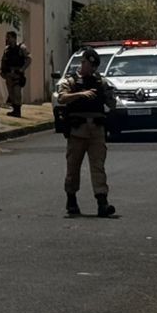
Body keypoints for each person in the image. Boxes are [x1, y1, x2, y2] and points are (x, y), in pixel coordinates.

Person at [55, 46, 116, 217]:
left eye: (94, 66)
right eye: (89, 65)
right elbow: (61, 97)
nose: (92, 69)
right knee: (73, 168)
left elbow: (112, 103)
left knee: (98, 167)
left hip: (96, 131)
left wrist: (108, 95)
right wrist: (81, 95)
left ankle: (102, 202)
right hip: (77, 131)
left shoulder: (100, 82)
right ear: (83, 63)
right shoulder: (71, 81)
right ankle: (71, 199)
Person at [0, 30, 32, 118]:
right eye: (7, 37)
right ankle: (14, 110)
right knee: (11, 93)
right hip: (9, 74)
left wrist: (22, 69)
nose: (7, 39)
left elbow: (29, 59)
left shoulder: (22, 47)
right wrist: (2, 71)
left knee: (17, 92)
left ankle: (18, 111)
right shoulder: (7, 49)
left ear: (14, 38)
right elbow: (3, 60)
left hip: (17, 74)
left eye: (9, 37)